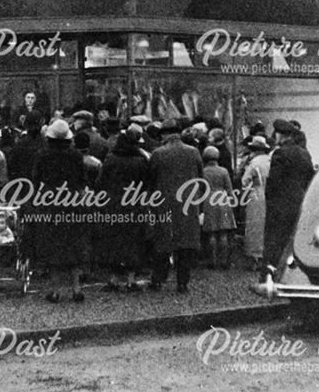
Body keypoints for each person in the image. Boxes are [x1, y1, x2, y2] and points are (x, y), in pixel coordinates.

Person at [30, 120, 89, 303]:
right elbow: (82, 180)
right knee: (73, 244)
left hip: (50, 202)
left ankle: (54, 291)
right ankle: (76, 288)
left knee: (53, 246)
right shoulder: (76, 155)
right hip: (72, 201)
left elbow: (36, 179)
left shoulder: (42, 155)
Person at [149, 118, 204, 293]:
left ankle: (158, 280)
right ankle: (182, 283)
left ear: (164, 134)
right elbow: (201, 181)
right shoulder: (194, 152)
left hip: (164, 205)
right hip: (188, 205)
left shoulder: (157, 154)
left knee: (163, 244)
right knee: (185, 246)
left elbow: (150, 182)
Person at [95, 131, 151, 292]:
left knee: (113, 241)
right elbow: (147, 182)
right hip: (134, 205)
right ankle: (131, 280)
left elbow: (100, 182)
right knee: (134, 241)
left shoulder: (110, 159)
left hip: (113, 205)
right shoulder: (141, 161)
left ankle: (113, 279)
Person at [262, 119, 315, 275]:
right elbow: (309, 177)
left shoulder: (280, 153)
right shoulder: (304, 153)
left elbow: (274, 181)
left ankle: (272, 272)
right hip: (299, 201)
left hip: (280, 203)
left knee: (275, 239)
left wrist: (270, 201)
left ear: (281, 135)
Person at [200, 146, 237, 270]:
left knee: (211, 232)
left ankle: (212, 261)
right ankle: (224, 261)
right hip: (222, 199)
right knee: (223, 232)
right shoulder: (224, 171)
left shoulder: (203, 171)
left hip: (208, 200)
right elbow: (229, 189)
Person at [240, 135, 272, 270]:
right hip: (270, 194)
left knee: (254, 226)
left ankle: (254, 258)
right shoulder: (271, 160)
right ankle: (265, 257)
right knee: (266, 226)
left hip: (256, 195)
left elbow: (244, 181)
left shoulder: (254, 163)